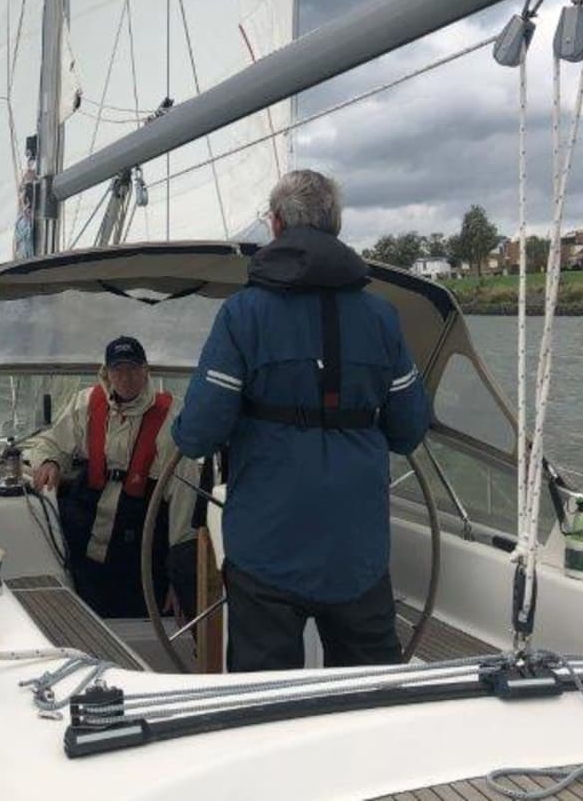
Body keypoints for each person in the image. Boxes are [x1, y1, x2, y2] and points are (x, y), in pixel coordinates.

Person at [172, 169, 431, 671]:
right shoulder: (381, 318)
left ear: (274, 226)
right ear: (335, 226)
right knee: (374, 696)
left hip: (267, 552)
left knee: (265, 702)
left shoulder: (243, 316)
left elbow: (199, 433)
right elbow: (408, 431)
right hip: (358, 554)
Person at [29, 336, 197, 619]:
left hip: (142, 533)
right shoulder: (85, 403)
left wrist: (180, 574)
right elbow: (51, 442)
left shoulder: (172, 417)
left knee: (137, 613)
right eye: (118, 369)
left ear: (146, 371)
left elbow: (184, 498)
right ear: (105, 373)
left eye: (133, 368)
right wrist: (49, 461)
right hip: (88, 528)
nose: (126, 377)